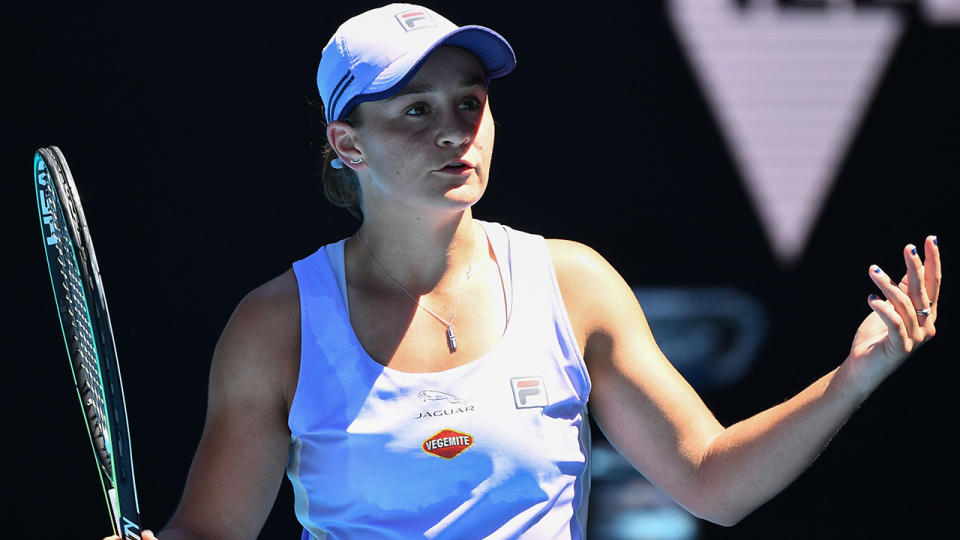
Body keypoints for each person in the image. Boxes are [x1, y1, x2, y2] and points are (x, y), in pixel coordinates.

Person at [109, 4, 941, 539]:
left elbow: (711, 481)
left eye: (470, 101)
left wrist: (855, 377)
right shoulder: (276, 327)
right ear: (347, 145)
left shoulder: (572, 284)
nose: (456, 131)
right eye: (415, 110)